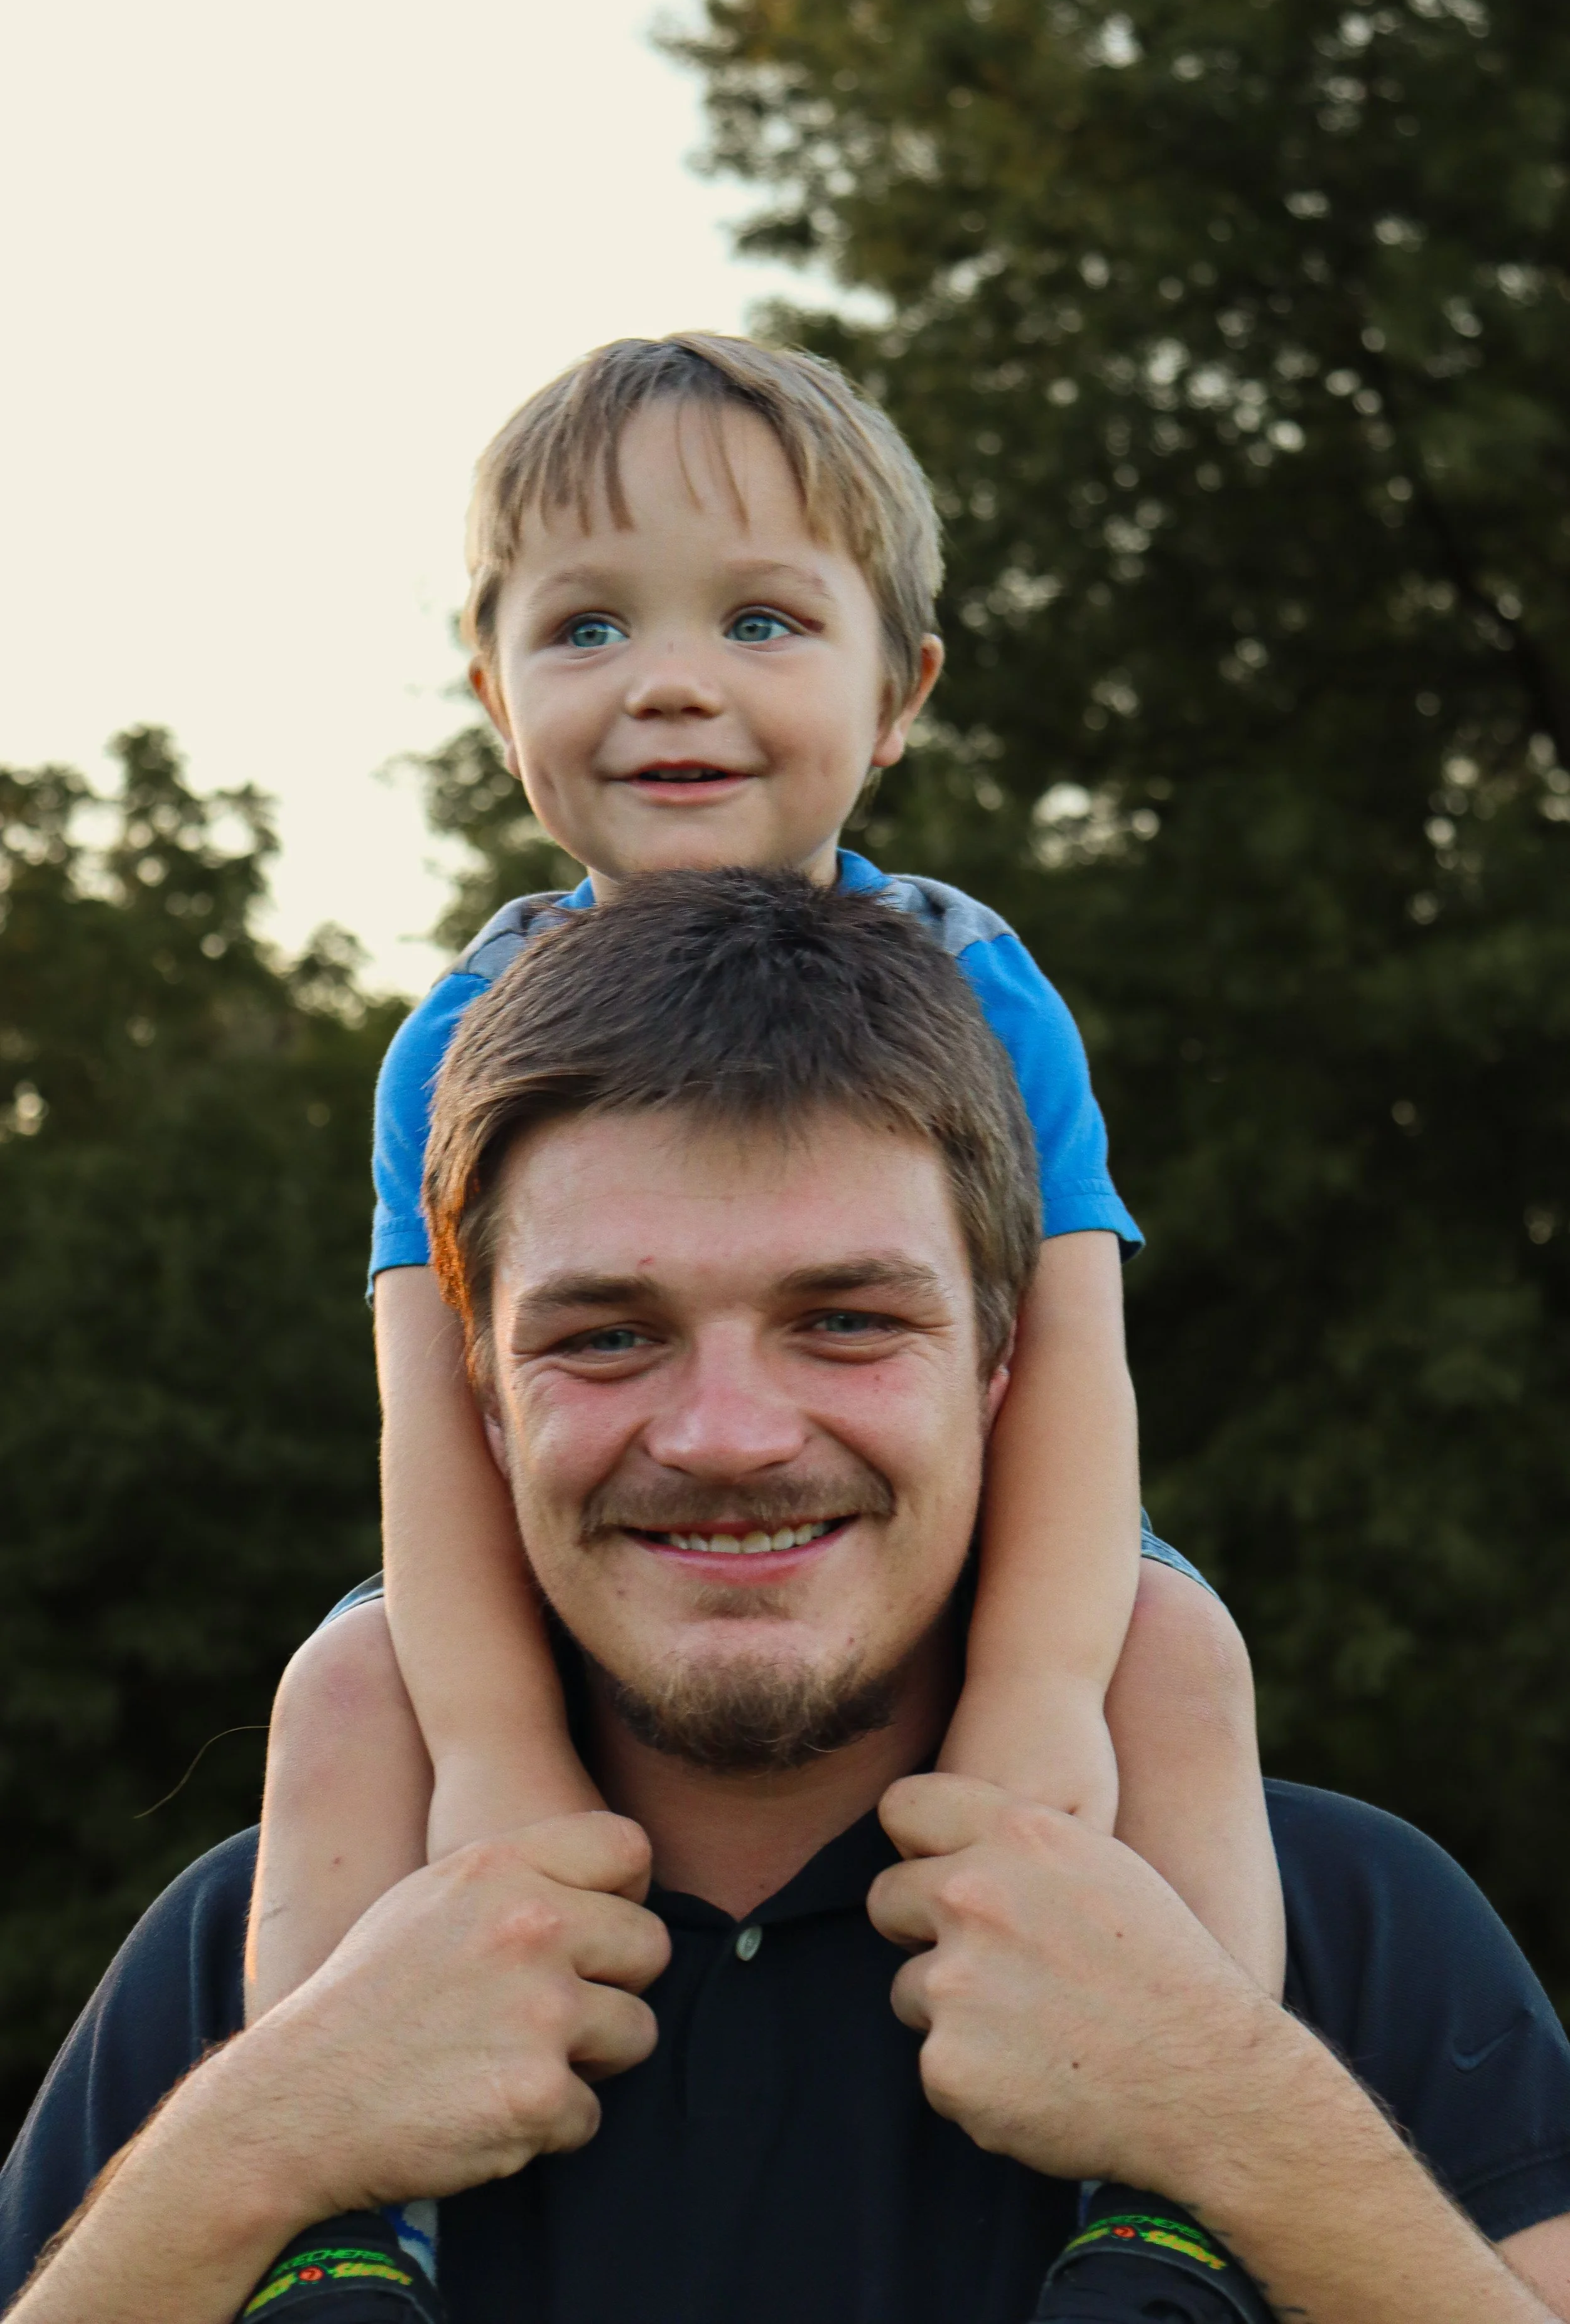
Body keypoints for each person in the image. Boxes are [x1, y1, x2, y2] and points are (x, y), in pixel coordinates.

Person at [4, 873, 1570, 2324]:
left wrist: (1234, 2115)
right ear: (481, 1401)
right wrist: (262, 2143)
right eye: (607, 1337)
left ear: (1000, 1365)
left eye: (843, 1320)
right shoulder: (261, 1950)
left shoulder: (1348, 1919)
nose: (728, 1437)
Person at [245, 333, 1286, 2313]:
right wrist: (493, 1747)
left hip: (949, 1559)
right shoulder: (459, 1035)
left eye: (758, 615)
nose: (666, 678)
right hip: (592, 1579)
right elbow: (437, 1422)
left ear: (897, 694)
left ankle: (1169, 2198)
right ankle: (330, 2221)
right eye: (583, 625)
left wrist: (1043, 1689)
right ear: (493, 693)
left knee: (1182, 1645)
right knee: (339, 1698)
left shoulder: (981, 985)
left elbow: (1066, 1369)